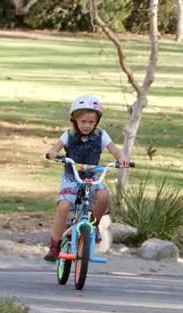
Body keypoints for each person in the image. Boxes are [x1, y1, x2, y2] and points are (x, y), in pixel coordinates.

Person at [43, 95, 129, 262]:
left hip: (92, 177)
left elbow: (115, 150)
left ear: (96, 122)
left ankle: (93, 227)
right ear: (74, 120)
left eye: (91, 122)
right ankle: (54, 246)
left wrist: (121, 158)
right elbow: (55, 148)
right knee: (64, 206)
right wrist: (53, 153)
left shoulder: (101, 135)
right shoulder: (68, 135)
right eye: (83, 121)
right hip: (72, 177)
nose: (87, 125)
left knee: (103, 196)